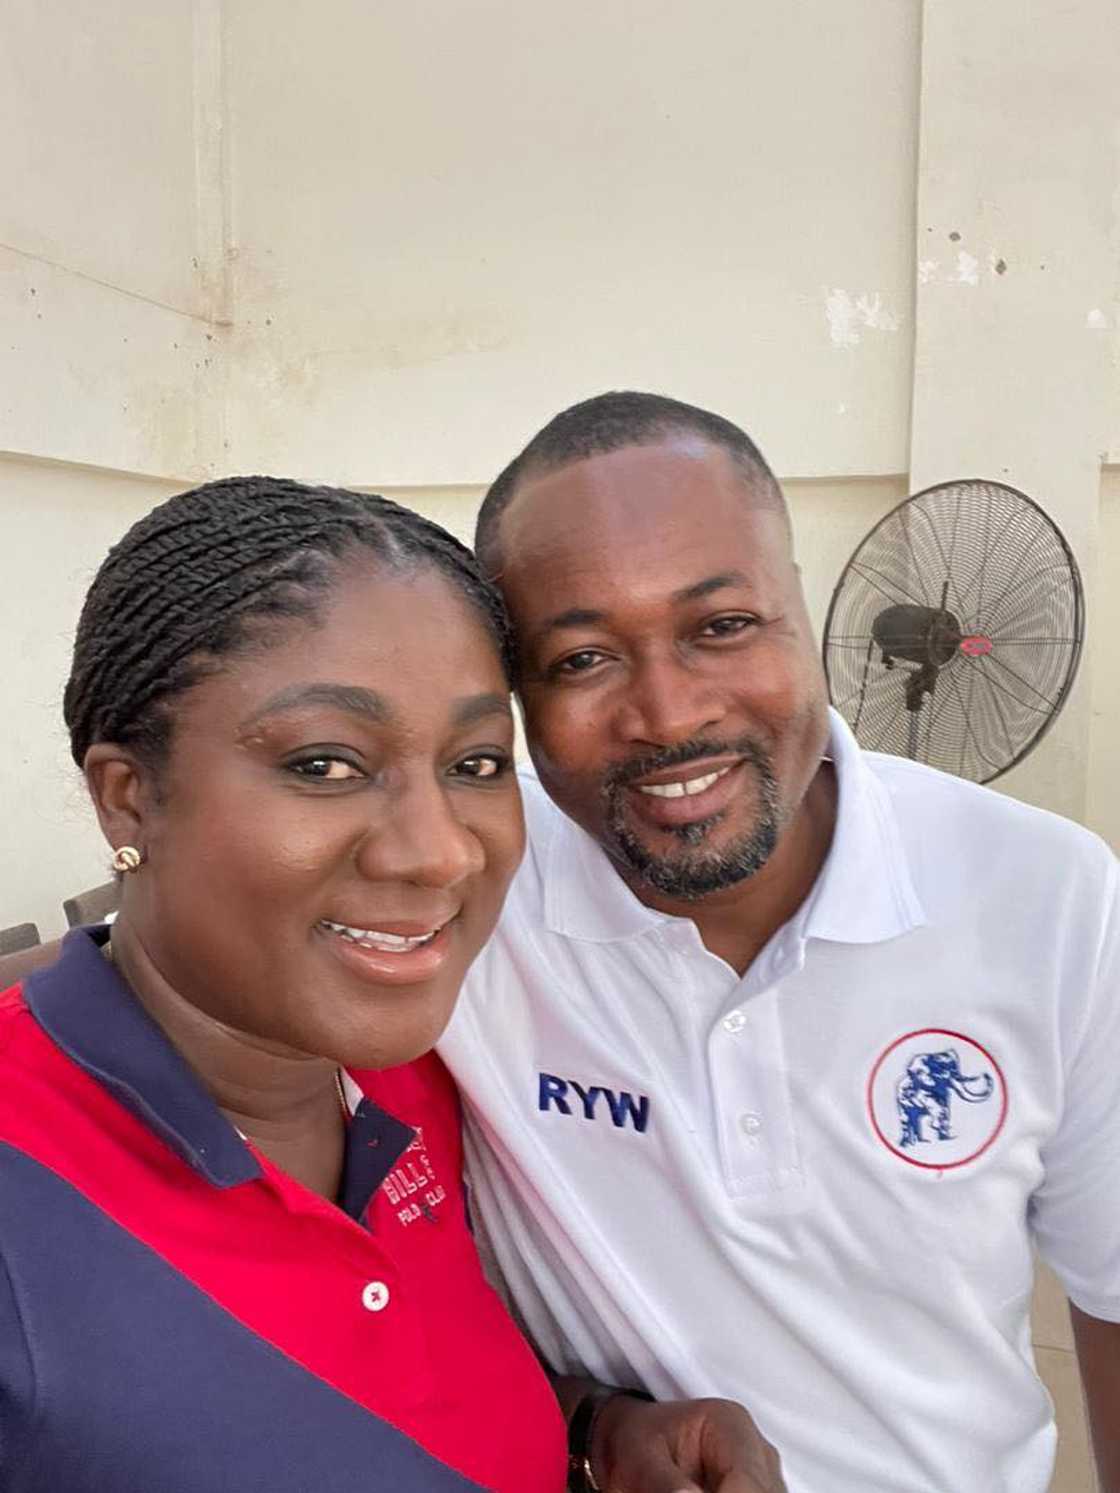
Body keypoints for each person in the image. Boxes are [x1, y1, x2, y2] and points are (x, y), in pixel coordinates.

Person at [0, 475, 783, 1492]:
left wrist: (595, 1426)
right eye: (326, 763)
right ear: (129, 796)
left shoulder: (420, 1072)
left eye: (475, 762)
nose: (440, 853)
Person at [437, 392, 1120, 1493]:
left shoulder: (1050, 898)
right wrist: (592, 1423)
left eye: (720, 626)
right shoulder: (464, 882)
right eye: (580, 660)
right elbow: (159, 967)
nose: (665, 711)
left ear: (801, 610)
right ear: (515, 695)